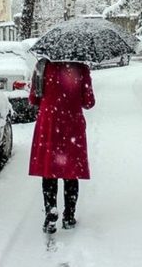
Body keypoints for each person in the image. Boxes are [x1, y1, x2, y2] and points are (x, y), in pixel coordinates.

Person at [29, 58, 95, 234]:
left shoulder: (42, 66)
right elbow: (89, 102)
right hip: (71, 124)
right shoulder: (81, 69)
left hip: (49, 123)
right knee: (70, 170)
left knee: (49, 169)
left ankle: (51, 211)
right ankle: (69, 216)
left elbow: (34, 98)